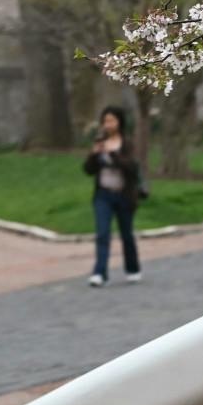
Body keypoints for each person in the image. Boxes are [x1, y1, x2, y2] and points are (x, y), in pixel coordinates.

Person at [83, 106, 143, 287]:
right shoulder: (100, 142)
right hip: (103, 195)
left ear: (119, 122)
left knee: (126, 234)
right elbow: (88, 170)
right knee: (102, 233)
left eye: (111, 120)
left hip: (124, 195)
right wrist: (94, 155)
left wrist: (113, 154)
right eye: (105, 121)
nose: (108, 124)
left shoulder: (127, 143)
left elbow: (132, 168)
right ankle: (99, 273)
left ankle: (132, 269)